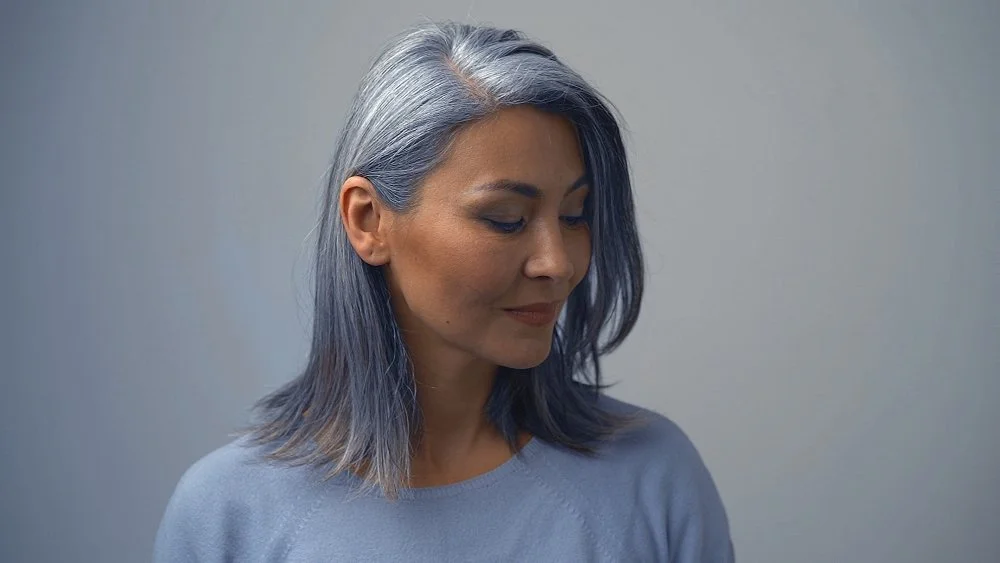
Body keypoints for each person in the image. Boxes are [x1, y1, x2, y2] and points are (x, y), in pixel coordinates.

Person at [153, 21, 734, 562]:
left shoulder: (653, 479)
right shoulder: (228, 514)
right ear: (368, 221)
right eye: (505, 218)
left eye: (577, 215)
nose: (558, 263)